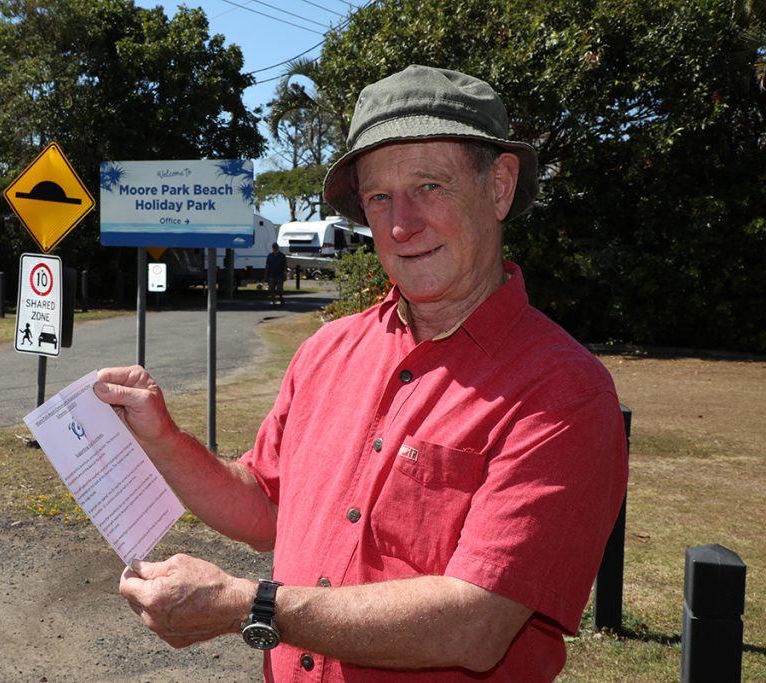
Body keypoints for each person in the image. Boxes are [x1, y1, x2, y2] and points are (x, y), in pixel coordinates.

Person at [95, 65, 628, 681]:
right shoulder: (327, 350)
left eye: (430, 186)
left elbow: (475, 624)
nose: (402, 225)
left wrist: (250, 604)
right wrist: (162, 437)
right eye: (380, 197)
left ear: (500, 186)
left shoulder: (563, 393)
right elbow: (265, 504)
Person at [266, 241, 287, 307]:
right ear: (272, 248)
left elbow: (285, 265)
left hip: (279, 275)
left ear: (278, 247)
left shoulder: (282, 256)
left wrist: (285, 274)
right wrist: (265, 275)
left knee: (279, 290)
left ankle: (281, 299)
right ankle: (273, 302)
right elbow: (267, 266)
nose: (275, 249)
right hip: (271, 275)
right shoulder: (270, 256)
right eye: (274, 247)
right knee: (271, 289)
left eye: (276, 247)